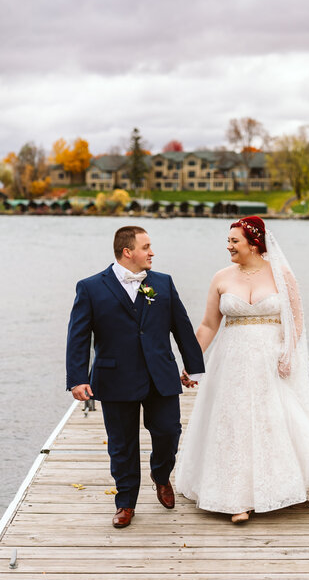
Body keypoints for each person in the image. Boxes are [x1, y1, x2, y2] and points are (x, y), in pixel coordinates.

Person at [176, 216, 309, 524]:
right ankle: (236, 499)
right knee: (233, 422)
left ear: (254, 243)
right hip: (231, 362)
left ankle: (282, 486)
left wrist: (288, 353)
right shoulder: (221, 277)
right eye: (229, 241)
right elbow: (209, 324)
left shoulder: (282, 274)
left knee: (272, 421)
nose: (229, 246)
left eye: (235, 241)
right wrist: (191, 363)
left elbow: (297, 320)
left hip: (270, 360)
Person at [66, 226, 204, 528]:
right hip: (115, 378)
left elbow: (181, 326)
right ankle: (126, 502)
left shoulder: (163, 284)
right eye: (146, 247)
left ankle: (160, 475)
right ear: (127, 252)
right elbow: (78, 335)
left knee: (169, 432)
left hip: (161, 375)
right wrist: (77, 378)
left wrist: (193, 366)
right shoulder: (90, 287)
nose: (152, 252)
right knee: (121, 444)